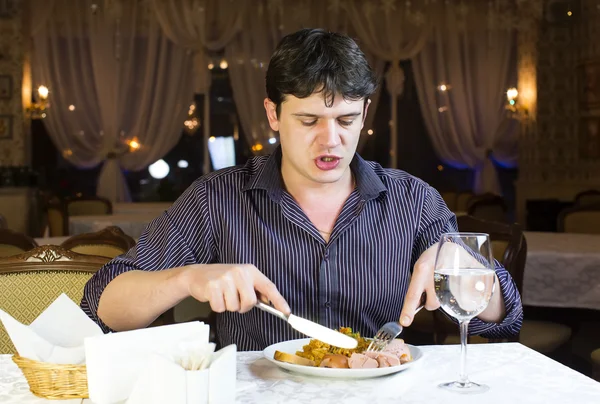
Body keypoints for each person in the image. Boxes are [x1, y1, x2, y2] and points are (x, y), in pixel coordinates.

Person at [82, 28, 523, 351]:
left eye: (346, 121)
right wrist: (187, 277)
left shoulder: (412, 200)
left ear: (365, 112)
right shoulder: (216, 199)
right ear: (273, 114)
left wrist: (460, 264)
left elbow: (506, 316)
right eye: (309, 121)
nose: (331, 140)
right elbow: (102, 303)